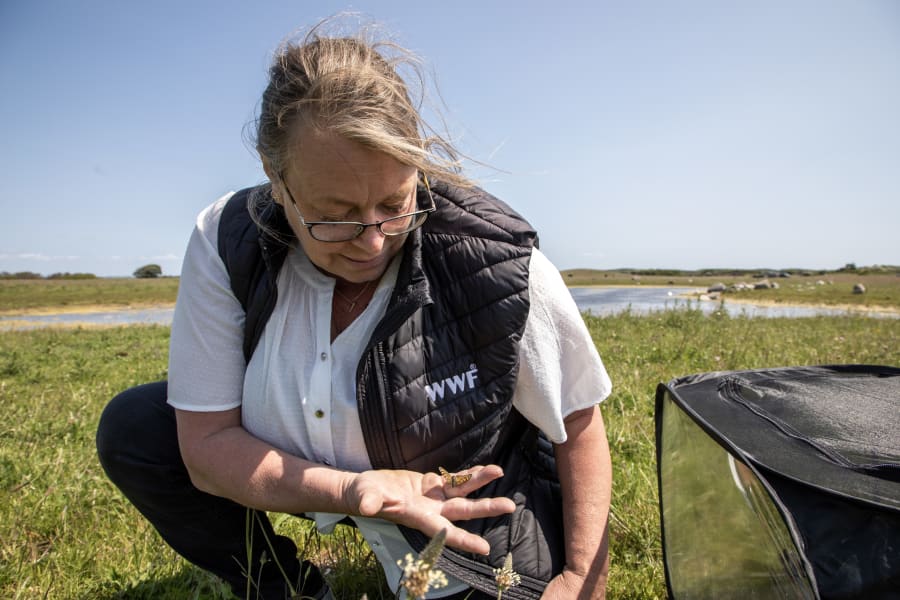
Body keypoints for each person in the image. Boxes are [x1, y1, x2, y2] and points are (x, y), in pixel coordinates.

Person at [96, 17, 612, 600]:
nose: (371, 241)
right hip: (303, 464)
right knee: (139, 428)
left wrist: (581, 579)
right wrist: (350, 489)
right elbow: (207, 443)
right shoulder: (225, 237)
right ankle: (282, 584)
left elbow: (577, 420)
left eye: (395, 203)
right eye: (335, 216)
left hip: (457, 499)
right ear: (276, 179)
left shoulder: (496, 260)